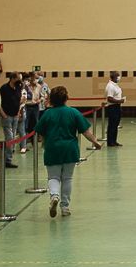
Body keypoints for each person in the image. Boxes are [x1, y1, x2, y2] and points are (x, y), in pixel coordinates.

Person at [34, 86, 102, 218]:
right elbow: (85, 131)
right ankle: (65, 207)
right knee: (67, 178)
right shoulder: (74, 112)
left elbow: (39, 133)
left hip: (52, 148)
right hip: (70, 149)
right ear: (66, 98)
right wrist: (95, 142)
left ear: (51, 99)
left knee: (53, 177)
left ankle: (54, 195)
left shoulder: (47, 114)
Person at [0, 71, 23, 168]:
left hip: (15, 116)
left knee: (12, 139)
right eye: (17, 79)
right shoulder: (4, 88)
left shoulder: (18, 88)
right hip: (7, 116)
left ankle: (8, 158)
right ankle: (7, 160)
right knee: (10, 137)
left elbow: (18, 100)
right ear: (12, 79)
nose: (19, 81)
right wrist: (3, 114)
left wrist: (18, 112)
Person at [105, 71, 125, 148]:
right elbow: (109, 98)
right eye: (118, 76)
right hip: (112, 107)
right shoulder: (110, 86)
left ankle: (114, 141)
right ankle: (110, 142)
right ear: (114, 77)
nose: (119, 77)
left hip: (117, 107)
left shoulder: (115, 85)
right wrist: (119, 101)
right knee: (112, 125)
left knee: (115, 125)